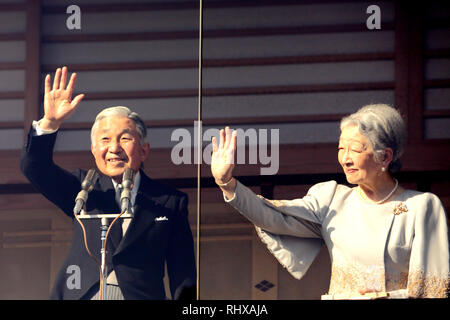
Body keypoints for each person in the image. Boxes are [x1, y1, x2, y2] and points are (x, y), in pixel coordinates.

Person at [211, 104, 449, 299]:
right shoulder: (333, 200)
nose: (345, 158)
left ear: (384, 156)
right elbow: (275, 218)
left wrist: (384, 297)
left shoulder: (422, 207)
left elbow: (433, 290)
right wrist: (227, 183)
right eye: (340, 148)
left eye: (355, 149)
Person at [21, 67, 196, 300]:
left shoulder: (169, 202)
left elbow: (183, 275)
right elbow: (35, 167)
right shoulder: (83, 188)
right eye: (105, 139)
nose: (114, 147)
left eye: (125, 138)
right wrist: (49, 123)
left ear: (144, 150)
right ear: (94, 150)